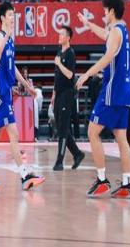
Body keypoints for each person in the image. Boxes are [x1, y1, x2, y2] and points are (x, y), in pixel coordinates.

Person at [0, 2, 45, 190]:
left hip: (6, 91)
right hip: (0, 93)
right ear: (2, 18)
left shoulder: (11, 40)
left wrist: (27, 86)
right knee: (13, 133)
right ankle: (24, 176)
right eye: (10, 15)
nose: (13, 18)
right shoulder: (0, 36)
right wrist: (6, 35)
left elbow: (12, 67)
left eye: (14, 15)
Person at [76, 0, 130, 198]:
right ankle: (126, 184)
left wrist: (86, 74)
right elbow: (105, 35)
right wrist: (88, 24)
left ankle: (102, 180)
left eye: (104, 12)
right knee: (121, 137)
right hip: (125, 91)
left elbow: (107, 56)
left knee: (92, 132)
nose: (103, 15)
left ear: (111, 11)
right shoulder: (122, 29)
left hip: (112, 91)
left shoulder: (116, 32)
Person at [52, 26, 85, 171]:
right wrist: (53, 94)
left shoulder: (71, 53)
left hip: (67, 93)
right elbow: (57, 75)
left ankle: (59, 161)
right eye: (59, 34)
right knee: (61, 127)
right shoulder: (59, 51)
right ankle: (77, 154)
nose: (59, 36)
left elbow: (70, 75)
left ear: (68, 37)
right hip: (59, 93)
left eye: (62, 34)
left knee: (63, 128)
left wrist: (59, 64)